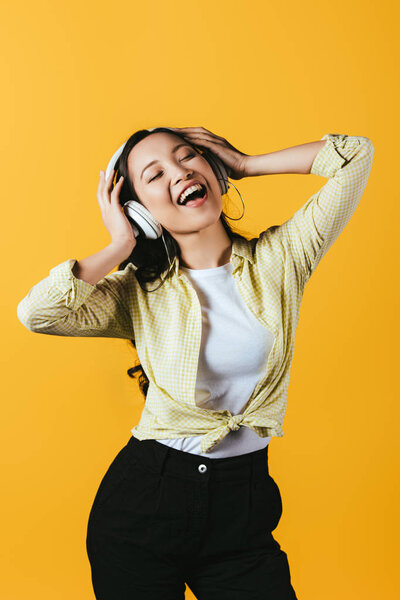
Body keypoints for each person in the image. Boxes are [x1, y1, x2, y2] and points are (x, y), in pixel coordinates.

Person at [17, 126, 375, 599]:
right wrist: (119, 246)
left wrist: (245, 163)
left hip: (241, 511)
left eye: (188, 157)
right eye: (155, 174)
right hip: (145, 506)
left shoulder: (282, 258)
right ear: (141, 213)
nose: (180, 172)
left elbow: (354, 156)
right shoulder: (137, 293)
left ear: (214, 171)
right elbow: (36, 313)